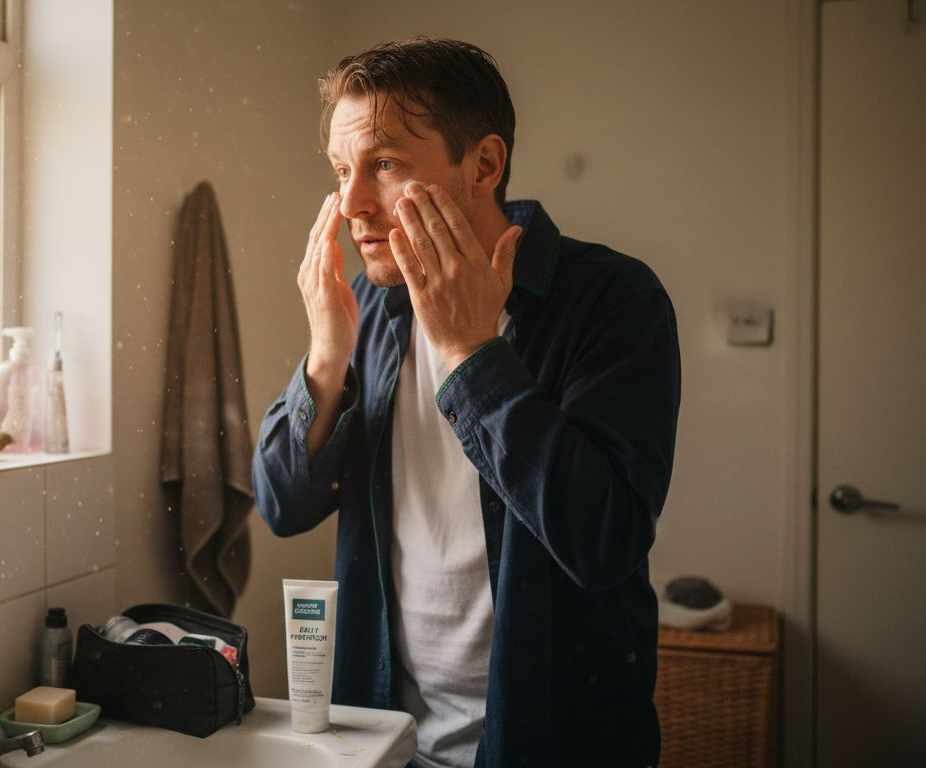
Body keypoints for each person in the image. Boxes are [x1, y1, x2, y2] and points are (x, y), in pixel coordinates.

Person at [253, 39, 680, 767]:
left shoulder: (613, 300)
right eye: (340, 171)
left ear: (484, 165)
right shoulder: (367, 308)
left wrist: (471, 355)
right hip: (386, 741)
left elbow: (602, 540)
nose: (353, 202)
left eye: (384, 165)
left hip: (559, 741)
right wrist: (325, 360)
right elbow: (284, 505)